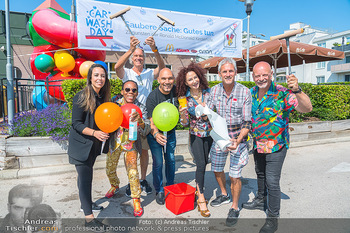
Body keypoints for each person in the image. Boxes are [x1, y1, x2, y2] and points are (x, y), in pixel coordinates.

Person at [242, 61, 312, 233]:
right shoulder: (250, 93)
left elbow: (307, 108)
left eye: (264, 74)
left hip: (277, 145)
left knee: (272, 181)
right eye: (257, 75)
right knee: (260, 173)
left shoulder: (282, 92)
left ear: (271, 74)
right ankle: (260, 199)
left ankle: (273, 217)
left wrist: (297, 90)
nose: (261, 78)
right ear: (253, 77)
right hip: (258, 143)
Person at [115, 36, 165, 195]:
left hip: (144, 118)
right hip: (127, 118)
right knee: (130, 152)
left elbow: (162, 68)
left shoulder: (150, 73)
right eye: (135, 56)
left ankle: (142, 179)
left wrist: (155, 49)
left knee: (144, 151)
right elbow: (116, 67)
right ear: (132, 58)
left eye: (141, 56)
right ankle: (132, 180)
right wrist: (130, 49)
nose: (138, 58)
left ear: (144, 59)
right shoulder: (127, 72)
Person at [206, 58, 252, 226]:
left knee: (234, 175)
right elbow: (208, 113)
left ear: (235, 72)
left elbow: (247, 122)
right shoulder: (214, 91)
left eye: (230, 71)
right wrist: (200, 110)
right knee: (217, 169)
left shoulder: (244, 92)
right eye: (224, 71)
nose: (228, 74)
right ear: (219, 74)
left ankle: (234, 207)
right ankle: (224, 194)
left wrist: (238, 140)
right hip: (219, 137)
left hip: (238, 137)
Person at [67, 63, 110, 229]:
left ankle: (86, 204)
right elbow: (76, 123)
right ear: (90, 77)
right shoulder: (81, 96)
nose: (100, 78)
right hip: (81, 146)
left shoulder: (101, 97)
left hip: (92, 145)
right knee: (86, 179)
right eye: (97, 75)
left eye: (103, 76)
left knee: (84, 178)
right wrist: (94, 133)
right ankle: (89, 219)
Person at [105, 80, 151, 217]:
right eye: (127, 89)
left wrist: (141, 122)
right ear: (122, 91)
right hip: (115, 142)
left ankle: (136, 199)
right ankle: (114, 185)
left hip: (131, 144)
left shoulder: (141, 107)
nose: (130, 92)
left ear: (137, 93)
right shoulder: (115, 104)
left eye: (134, 90)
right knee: (109, 168)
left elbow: (147, 129)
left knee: (132, 172)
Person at [176, 63, 213, 217]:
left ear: (199, 77)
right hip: (196, 135)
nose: (194, 81)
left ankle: (199, 190)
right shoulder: (184, 99)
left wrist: (207, 113)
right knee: (201, 164)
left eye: (195, 77)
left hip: (211, 134)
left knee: (206, 162)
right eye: (190, 79)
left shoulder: (209, 92)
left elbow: (217, 111)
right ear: (185, 83)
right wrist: (183, 114)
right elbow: (184, 123)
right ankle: (201, 197)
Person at [146, 68, 178, 205]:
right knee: (158, 162)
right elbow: (151, 122)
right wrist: (156, 134)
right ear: (158, 80)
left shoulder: (177, 92)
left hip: (171, 133)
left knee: (170, 160)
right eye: (163, 79)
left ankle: (170, 185)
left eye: (170, 78)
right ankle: (159, 190)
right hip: (155, 135)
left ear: (173, 79)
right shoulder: (152, 97)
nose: (167, 81)